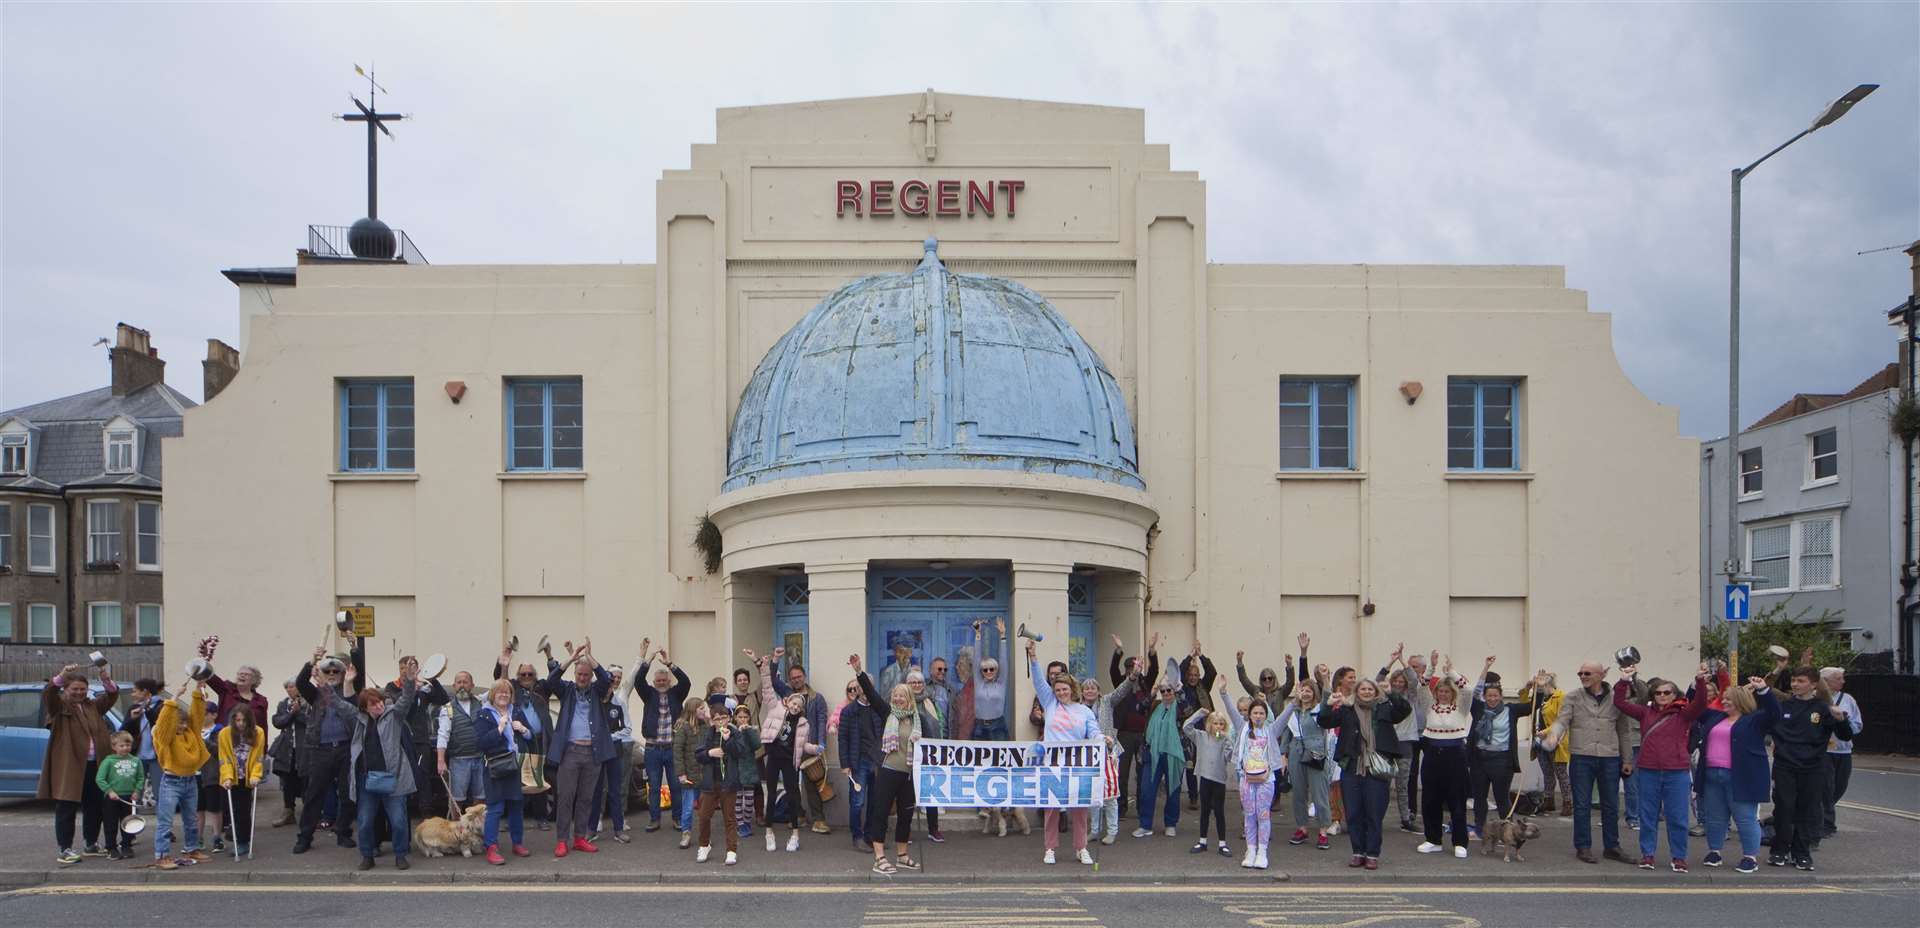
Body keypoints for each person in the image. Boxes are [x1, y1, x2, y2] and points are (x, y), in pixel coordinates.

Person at [1611, 663, 1710, 871]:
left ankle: (1679, 857)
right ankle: (1647, 855)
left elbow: (1701, 703)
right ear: (1653, 695)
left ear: (1674, 694)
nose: (1662, 696)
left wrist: (1700, 681)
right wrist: (1623, 681)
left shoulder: (1684, 714)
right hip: (1648, 771)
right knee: (1647, 816)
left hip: (1677, 772)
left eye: (1667, 692)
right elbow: (1619, 702)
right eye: (1658, 692)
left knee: (1678, 818)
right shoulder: (1644, 713)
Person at [1543, 659, 1635, 865]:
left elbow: (1623, 730)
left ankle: (1612, 847)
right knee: (1582, 805)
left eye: (1587, 673)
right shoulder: (1573, 697)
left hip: (1610, 757)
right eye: (1580, 674)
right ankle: (1583, 846)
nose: (1583, 677)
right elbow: (1562, 721)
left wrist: (1627, 758)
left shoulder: (1616, 697)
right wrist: (1553, 736)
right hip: (1582, 756)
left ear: (1601, 675)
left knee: (1611, 804)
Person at [851, 654, 934, 875]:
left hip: (909, 775)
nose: (897, 699)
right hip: (888, 772)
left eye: (902, 696)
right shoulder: (888, 714)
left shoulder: (918, 720)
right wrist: (859, 671)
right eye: (895, 695)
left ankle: (902, 855)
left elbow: (929, 746)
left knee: (906, 815)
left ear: (909, 698)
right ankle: (879, 858)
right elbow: (871, 693)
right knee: (880, 813)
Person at [1318, 676, 1411, 870]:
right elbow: (1324, 721)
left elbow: (1404, 710)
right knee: (1353, 813)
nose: (1367, 692)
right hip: (1352, 766)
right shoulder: (1347, 709)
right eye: (1363, 689)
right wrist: (1327, 704)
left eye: (1370, 689)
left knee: (1374, 813)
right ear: (1356, 692)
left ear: (1376, 692)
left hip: (1377, 768)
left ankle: (1372, 853)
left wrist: (1391, 692)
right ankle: (1358, 852)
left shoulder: (1384, 707)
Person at [1768, 657, 1853, 870]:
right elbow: (1764, 692)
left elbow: (1845, 735)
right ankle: (1779, 851)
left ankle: (1801, 853)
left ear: (1814, 684)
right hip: (1784, 766)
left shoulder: (1823, 708)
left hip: (1813, 767)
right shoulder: (1784, 704)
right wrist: (1778, 669)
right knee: (1784, 809)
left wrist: (1841, 719)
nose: (1795, 684)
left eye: (1801, 681)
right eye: (1794, 680)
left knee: (1807, 810)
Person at [39, 662, 119, 864]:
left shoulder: (92, 706)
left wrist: (105, 679)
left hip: (95, 765)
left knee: (94, 806)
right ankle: (65, 849)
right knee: (66, 807)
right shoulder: (59, 706)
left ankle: (90, 844)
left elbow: (112, 696)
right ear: (66, 689)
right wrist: (62, 674)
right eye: (74, 689)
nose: (79, 693)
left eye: (83, 689)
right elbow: (49, 694)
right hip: (70, 766)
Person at [293, 637, 367, 853]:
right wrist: (311, 662)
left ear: (343, 674)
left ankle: (343, 833)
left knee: (347, 793)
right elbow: (300, 683)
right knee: (314, 794)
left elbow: (360, 672)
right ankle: (304, 837)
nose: (333, 675)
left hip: (346, 749)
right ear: (322, 674)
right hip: (321, 750)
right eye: (329, 672)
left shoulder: (350, 692)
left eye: (337, 672)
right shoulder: (314, 693)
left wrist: (355, 648)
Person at [1029, 640, 1099, 865]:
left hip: (1076, 765)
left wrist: (1101, 739)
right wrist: (1033, 657)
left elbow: (1093, 731)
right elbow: (1039, 682)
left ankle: (1081, 848)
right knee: (1051, 809)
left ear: (1072, 689)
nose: (1060, 693)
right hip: (1052, 764)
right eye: (1057, 690)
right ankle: (1050, 848)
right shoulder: (1050, 704)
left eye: (1064, 689)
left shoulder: (1083, 711)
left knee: (1079, 808)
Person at [542, 639, 612, 857]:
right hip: (570, 752)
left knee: (586, 797)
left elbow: (606, 678)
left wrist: (590, 658)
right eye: (579, 674)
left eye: (586, 675)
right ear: (575, 675)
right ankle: (562, 840)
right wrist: (571, 659)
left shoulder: (597, 691)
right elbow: (551, 681)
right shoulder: (567, 690)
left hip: (593, 753)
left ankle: (580, 838)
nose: (582, 678)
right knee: (565, 797)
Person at [1697, 677, 1775, 873]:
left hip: (1741, 776)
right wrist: (1698, 683)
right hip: (1712, 774)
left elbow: (1775, 713)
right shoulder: (1715, 717)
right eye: (1723, 698)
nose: (1724, 702)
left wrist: (1764, 690)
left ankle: (1750, 857)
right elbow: (1696, 706)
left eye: (1728, 699)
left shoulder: (1755, 720)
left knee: (1745, 817)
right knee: (1714, 817)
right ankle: (1714, 852)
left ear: (1740, 700)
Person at [751, 649, 820, 852]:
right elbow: (767, 687)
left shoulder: (804, 723)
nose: (796, 706)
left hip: (791, 761)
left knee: (793, 796)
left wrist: (815, 748)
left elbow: (803, 745)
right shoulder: (775, 709)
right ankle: (769, 833)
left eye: (800, 704)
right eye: (794, 702)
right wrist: (769, 663)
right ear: (787, 701)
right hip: (773, 758)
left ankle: (795, 835)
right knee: (771, 795)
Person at [349, 670, 418, 870]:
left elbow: (406, 699)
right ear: (365, 708)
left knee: (398, 821)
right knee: (364, 822)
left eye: (380, 701)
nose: (379, 705)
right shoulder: (360, 721)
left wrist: (411, 680)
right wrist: (332, 686)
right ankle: (367, 855)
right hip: (367, 779)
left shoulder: (393, 715)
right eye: (374, 704)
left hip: (392, 778)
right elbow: (340, 705)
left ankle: (400, 855)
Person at [968, 618, 1026, 837]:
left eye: (992, 669)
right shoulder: (978, 680)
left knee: (1001, 767)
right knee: (979, 767)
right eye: (985, 669)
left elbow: (1004, 659)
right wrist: (978, 635)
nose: (989, 671)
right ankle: (983, 806)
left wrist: (1003, 636)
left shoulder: (1002, 682)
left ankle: (1005, 806)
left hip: (999, 727)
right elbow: (975, 660)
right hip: (981, 727)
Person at [768, 647, 833, 837]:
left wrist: (821, 744)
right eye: (793, 677)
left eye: (799, 676)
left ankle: (819, 819)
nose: (796, 680)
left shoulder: (816, 698)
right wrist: (775, 660)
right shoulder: (788, 694)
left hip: (808, 745)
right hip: (788, 747)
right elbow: (772, 681)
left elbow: (822, 720)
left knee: (812, 784)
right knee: (791, 785)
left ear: (804, 676)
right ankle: (799, 814)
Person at [495, 641, 557, 831]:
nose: (527, 677)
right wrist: (504, 665)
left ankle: (541, 817)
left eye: (530, 674)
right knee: (516, 780)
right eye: (523, 674)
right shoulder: (513, 687)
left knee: (536, 779)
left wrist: (549, 655)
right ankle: (514, 818)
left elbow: (556, 678)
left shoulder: (542, 688)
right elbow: (501, 684)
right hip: (518, 740)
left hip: (538, 740)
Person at [633, 638, 692, 835]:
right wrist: (647, 660)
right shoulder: (648, 694)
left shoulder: (677, 694)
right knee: (655, 786)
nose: (661, 683)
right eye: (658, 680)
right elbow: (638, 680)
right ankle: (654, 819)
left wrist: (669, 664)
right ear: (654, 682)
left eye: (664, 680)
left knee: (676, 786)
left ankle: (676, 819)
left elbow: (686, 681)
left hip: (672, 747)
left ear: (668, 681)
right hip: (652, 748)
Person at [1414, 658, 1472, 858]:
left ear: (1452, 693)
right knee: (1430, 799)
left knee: (1457, 799)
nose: (1443, 694)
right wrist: (1431, 667)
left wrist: (1451, 672)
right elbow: (1420, 686)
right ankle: (1433, 839)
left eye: (1447, 691)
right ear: (1436, 692)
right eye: (1440, 691)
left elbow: (1469, 691)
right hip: (1432, 753)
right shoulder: (1429, 706)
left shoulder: (1461, 708)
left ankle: (1460, 842)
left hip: (1455, 754)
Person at [152, 681, 212, 870]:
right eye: (179, 722)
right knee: (166, 820)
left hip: (190, 779)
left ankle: (191, 848)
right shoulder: (164, 737)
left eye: (184, 722)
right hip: (171, 781)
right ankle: (162, 855)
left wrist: (197, 692)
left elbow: (197, 715)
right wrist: (174, 698)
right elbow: (163, 723)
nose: (184, 725)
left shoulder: (190, 732)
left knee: (191, 818)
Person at [382, 657, 450, 822]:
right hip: (400, 740)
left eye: (410, 668)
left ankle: (426, 812)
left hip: (421, 740)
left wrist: (432, 678)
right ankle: (401, 811)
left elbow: (443, 699)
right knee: (400, 775)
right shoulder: (392, 687)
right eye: (403, 669)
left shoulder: (424, 688)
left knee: (422, 776)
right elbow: (399, 703)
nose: (406, 672)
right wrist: (411, 688)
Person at [1467, 658, 1527, 842]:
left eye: (1495, 696)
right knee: (1479, 798)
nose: (1492, 699)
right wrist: (1485, 668)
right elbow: (1474, 692)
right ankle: (1479, 829)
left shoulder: (1511, 710)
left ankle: (1507, 832)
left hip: (1501, 760)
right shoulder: (1478, 709)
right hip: (1479, 759)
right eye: (1489, 696)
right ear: (1485, 697)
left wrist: (1539, 689)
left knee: (1502, 798)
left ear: (1501, 696)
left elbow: (1534, 705)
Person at [476, 679, 534, 864]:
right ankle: (491, 847)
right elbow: (481, 743)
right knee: (495, 808)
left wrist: (523, 729)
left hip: (515, 766)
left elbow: (531, 736)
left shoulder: (516, 711)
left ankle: (517, 843)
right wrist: (499, 728)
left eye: (507, 692)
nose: (504, 695)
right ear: (493, 694)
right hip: (496, 766)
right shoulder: (484, 715)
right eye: (500, 692)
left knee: (516, 807)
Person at [1132, 658, 1187, 839]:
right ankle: (1145, 824)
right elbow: (1140, 709)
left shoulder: (1179, 707)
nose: (1165, 693)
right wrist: (1152, 692)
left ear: (1174, 691)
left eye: (1168, 690)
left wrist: (1179, 689)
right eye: (1163, 691)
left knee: (1173, 790)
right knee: (1147, 790)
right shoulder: (1155, 705)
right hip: (1151, 753)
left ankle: (1170, 823)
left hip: (1173, 754)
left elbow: (1188, 709)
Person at [1082, 663, 1137, 845]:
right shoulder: (1079, 709)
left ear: (1098, 690)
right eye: (1086, 688)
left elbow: (1121, 692)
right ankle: (1095, 830)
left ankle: (1112, 830)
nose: (1089, 691)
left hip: (1109, 753)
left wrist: (1132, 677)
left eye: (1093, 688)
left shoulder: (1106, 701)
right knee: (1094, 795)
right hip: (1089, 756)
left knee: (1110, 795)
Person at [1109, 632, 1160, 817]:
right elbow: (1113, 669)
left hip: (1143, 735)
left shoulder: (1145, 683)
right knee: (1121, 773)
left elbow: (1154, 671)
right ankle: (1121, 808)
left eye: (1137, 667)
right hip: (1124, 735)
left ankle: (1140, 807)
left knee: (1141, 773)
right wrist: (1118, 650)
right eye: (1131, 667)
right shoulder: (1120, 683)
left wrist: (1152, 651)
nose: (1134, 670)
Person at [1277, 680, 1331, 850]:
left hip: (1315, 753)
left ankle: (1323, 830)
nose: (1306, 694)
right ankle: (1302, 828)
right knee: (1298, 793)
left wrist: (1325, 680)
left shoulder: (1319, 710)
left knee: (1319, 793)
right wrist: (1283, 755)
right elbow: (1286, 732)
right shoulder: (1293, 711)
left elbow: (1327, 700)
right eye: (1303, 690)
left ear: (1314, 693)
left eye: (1309, 691)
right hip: (1296, 751)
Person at [1376, 644, 1423, 832]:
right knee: (1383, 785)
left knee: (1402, 785)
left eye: (1400, 682)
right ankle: (1377, 817)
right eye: (1394, 681)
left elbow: (1413, 679)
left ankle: (1406, 818)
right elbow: (1378, 679)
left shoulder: (1410, 696)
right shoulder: (1383, 696)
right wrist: (1390, 661)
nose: (1397, 684)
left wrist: (1403, 661)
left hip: (1404, 744)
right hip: (1386, 744)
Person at [586, 663, 634, 843]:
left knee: (615, 790)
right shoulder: (593, 702)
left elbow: (628, 729)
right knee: (596, 790)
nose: (607, 688)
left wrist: (608, 737)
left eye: (610, 684)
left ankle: (618, 830)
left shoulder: (619, 703)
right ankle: (591, 829)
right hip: (596, 753)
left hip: (615, 751)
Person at [1182, 703, 1233, 860]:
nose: (1217, 726)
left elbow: (1228, 757)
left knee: (1219, 811)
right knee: (1204, 810)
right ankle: (1202, 841)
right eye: (1215, 723)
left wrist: (1227, 743)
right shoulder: (1201, 736)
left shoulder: (1223, 739)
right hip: (1205, 778)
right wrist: (1199, 713)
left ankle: (1222, 843)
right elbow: (1186, 727)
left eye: (1221, 723)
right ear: (1209, 724)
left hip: (1219, 780)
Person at [437, 671, 489, 821]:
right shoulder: (447, 708)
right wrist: (441, 760)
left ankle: (477, 832)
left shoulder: (481, 702)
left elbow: (500, 687)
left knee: (480, 800)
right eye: (459, 682)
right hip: (459, 761)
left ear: (472, 685)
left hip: (481, 759)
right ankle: (456, 834)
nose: (462, 685)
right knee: (456, 801)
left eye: (465, 682)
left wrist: (504, 666)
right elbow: (443, 735)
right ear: (454, 686)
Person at [216, 704, 265, 858]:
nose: (240, 723)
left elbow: (258, 757)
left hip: (248, 777)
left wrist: (256, 775)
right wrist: (227, 777)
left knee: (244, 811)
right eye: (237, 720)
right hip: (232, 777)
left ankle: (243, 842)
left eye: (243, 720)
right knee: (232, 811)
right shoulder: (224, 733)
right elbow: (224, 758)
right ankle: (236, 836)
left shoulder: (258, 732)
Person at [1819, 667, 1862, 841]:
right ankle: (1827, 824)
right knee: (1826, 788)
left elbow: (1857, 724)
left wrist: (1844, 724)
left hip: (1844, 751)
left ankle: (1821, 814)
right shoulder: (1817, 699)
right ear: (1826, 681)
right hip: (1824, 751)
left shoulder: (1848, 699)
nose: (1843, 681)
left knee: (1839, 787)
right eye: (1839, 678)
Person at [838, 675, 882, 849]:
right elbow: (843, 739)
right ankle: (857, 836)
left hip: (877, 761)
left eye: (868, 685)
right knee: (857, 801)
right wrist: (845, 764)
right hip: (859, 762)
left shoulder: (879, 708)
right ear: (857, 689)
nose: (864, 688)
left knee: (875, 801)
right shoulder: (849, 711)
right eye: (862, 686)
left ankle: (870, 836)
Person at [1177, 641, 1218, 810]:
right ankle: (1194, 797)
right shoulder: (1183, 687)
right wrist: (1190, 656)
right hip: (1189, 732)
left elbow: (1212, 671)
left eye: (1196, 674)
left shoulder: (1204, 686)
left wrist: (1200, 656)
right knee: (1190, 765)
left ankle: (1211, 795)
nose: (1193, 677)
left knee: (1209, 763)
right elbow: (1179, 670)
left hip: (1206, 730)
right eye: (1190, 674)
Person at [1527, 670, 1571, 817]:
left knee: (1561, 773)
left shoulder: (1560, 697)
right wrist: (1528, 688)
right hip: (1539, 741)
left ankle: (1567, 802)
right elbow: (1525, 704)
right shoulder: (1539, 698)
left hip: (1555, 740)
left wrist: (1545, 732)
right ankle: (1549, 799)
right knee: (1547, 772)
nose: (1539, 687)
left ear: (1548, 684)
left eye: (1541, 685)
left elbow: (1562, 719)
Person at [96, 731, 145, 860]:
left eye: (128, 745)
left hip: (129, 798)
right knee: (110, 823)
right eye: (122, 746)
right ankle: (111, 848)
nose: (125, 748)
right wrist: (109, 791)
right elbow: (100, 779)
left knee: (128, 823)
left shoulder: (136, 761)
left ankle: (126, 845)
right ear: (114, 747)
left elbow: (140, 777)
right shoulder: (108, 761)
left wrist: (137, 791)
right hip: (112, 798)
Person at [671, 697, 710, 851]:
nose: (704, 711)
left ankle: (704, 836)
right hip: (689, 776)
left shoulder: (706, 727)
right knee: (687, 808)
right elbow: (677, 752)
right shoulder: (684, 728)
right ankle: (686, 833)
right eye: (701, 708)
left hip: (704, 775)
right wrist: (681, 773)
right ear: (693, 710)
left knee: (704, 809)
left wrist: (709, 719)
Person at [269, 680, 306, 828]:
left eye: (292, 686)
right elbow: (278, 722)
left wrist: (298, 713)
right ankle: (288, 812)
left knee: (305, 780)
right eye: (287, 687)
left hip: (304, 748)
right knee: (287, 781)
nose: (289, 689)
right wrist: (292, 713)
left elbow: (311, 721)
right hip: (287, 750)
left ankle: (309, 814)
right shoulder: (283, 704)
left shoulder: (309, 702)